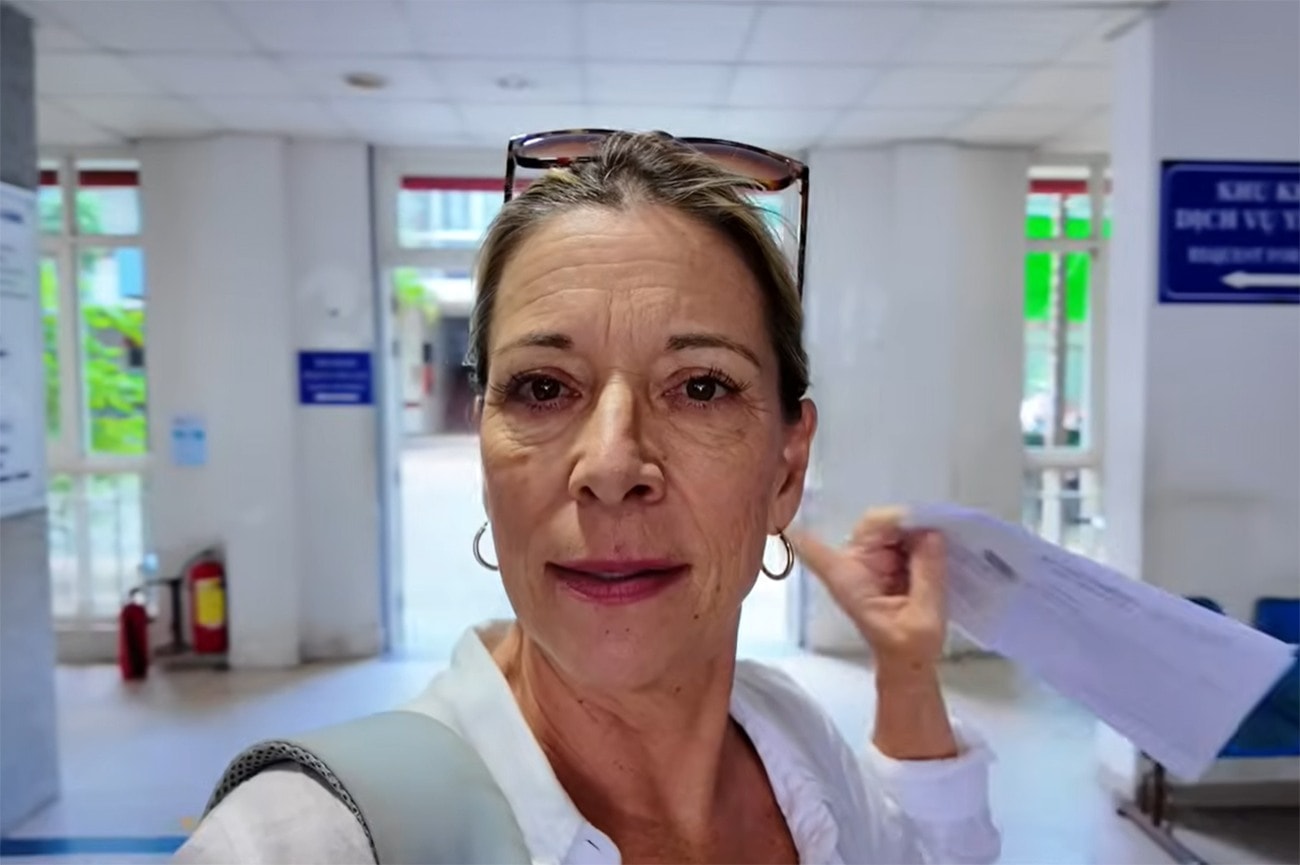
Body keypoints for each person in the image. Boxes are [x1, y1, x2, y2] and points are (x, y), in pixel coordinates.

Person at [177, 131, 1000, 864]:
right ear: (486, 455)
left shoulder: (790, 742)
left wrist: (907, 670)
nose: (611, 464)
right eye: (543, 387)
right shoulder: (303, 839)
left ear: (786, 468)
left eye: (701, 386)